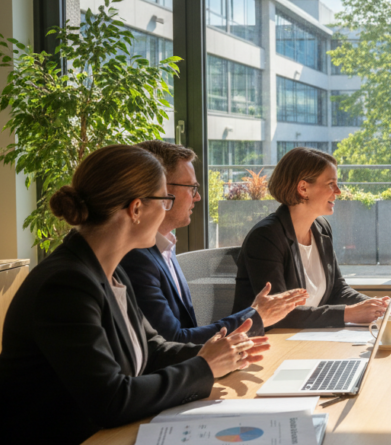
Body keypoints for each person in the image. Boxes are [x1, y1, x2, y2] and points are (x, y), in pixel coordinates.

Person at [0, 145, 267, 445]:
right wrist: (202, 368)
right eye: (164, 200)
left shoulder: (110, 271)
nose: (169, 210)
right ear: (136, 209)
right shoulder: (65, 284)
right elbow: (111, 399)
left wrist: (219, 354)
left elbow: (153, 350)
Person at [120, 141, 308, 342]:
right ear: (162, 191)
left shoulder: (164, 246)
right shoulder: (136, 257)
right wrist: (255, 315)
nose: (198, 197)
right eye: (191, 187)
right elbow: (173, 341)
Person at [231, 146, 391, 326]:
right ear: (303, 188)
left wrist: (376, 305)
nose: (338, 191)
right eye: (331, 184)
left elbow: (337, 290)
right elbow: (277, 313)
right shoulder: (265, 237)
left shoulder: (321, 228)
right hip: (267, 343)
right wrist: (348, 314)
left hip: (307, 338)